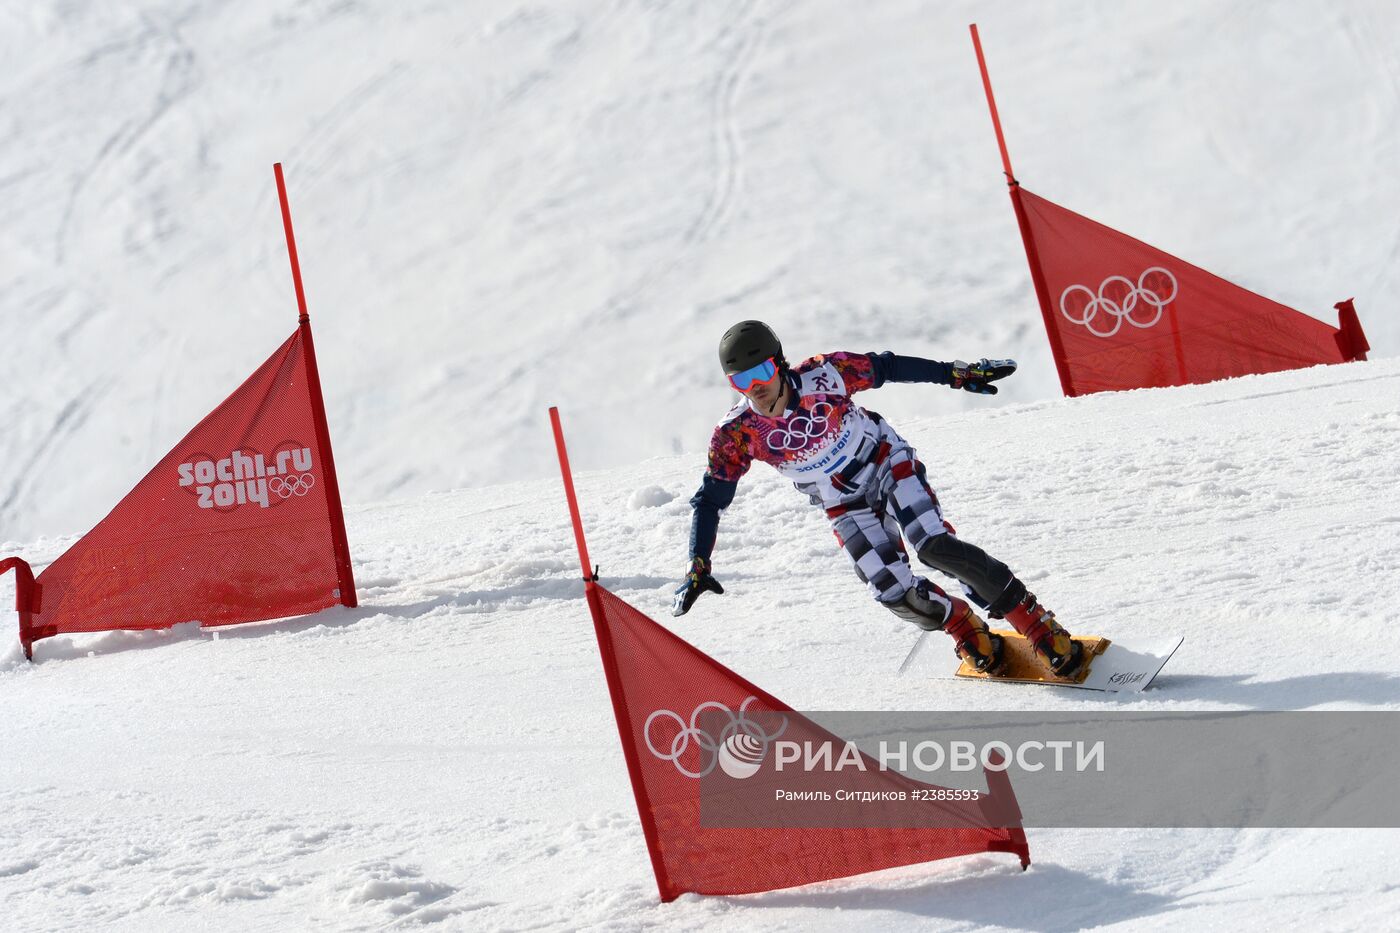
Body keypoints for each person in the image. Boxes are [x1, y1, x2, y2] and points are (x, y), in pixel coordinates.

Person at [671, 320, 1085, 678]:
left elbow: (886, 366)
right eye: (741, 380)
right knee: (892, 591)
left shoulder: (825, 374)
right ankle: (962, 625)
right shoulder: (736, 433)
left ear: (778, 362)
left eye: (760, 371)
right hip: (842, 502)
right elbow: (710, 500)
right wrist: (697, 563)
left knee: (935, 547)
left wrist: (955, 374)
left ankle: (1035, 623)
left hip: (885, 461)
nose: (755, 387)